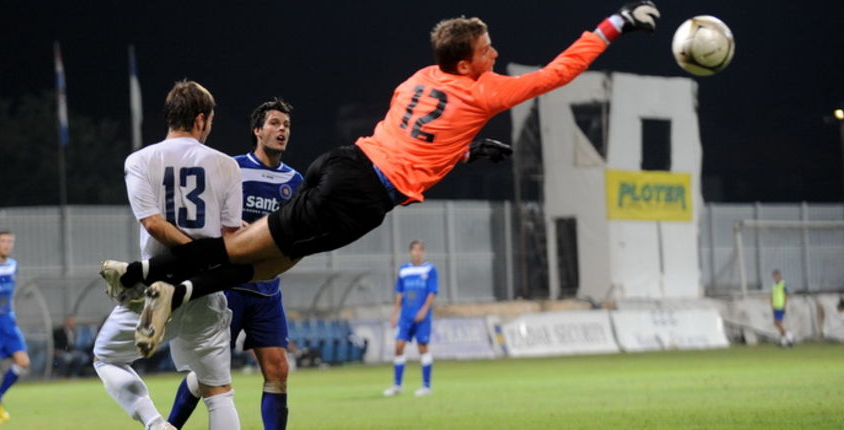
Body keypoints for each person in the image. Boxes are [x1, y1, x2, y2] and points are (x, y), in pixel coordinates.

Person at [103, 2, 661, 357]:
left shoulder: (418, 78)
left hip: (342, 162)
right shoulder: (483, 88)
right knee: (246, 247)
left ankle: (177, 286)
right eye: (488, 49)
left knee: (274, 260)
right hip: (363, 194)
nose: (496, 54)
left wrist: (464, 152)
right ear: (467, 62)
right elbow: (557, 73)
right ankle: (141, 272)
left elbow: (417, 141)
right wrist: (613, 24)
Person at [93, 80, 242, 430]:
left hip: (154, 290)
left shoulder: (140, 160)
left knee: (105, 358)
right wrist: (202, 258)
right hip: (204, 292)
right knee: (218, 393)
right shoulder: (226, 165)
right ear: (201, 119)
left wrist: (185, 255)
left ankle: (156, 424)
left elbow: (153, 224)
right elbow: (230, 237)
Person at [167, 98, 303, 430]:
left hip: (267, 291)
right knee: (207, 375)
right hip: (227, 289)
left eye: (285, 125)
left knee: (278, 369)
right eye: (274, 123)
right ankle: (170, 426)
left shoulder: (295, 181)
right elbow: (206, 215)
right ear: (257, 130)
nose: (281, 129)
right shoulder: (232, 167)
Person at [384, 240, 438, 397]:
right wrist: (395, 314)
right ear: (410, 252)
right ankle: (397, 385)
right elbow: (400, 294)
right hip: (406, 316)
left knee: (423, 347)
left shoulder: (430, 270)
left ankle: (426, 386)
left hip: (422, 317)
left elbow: (432, 292)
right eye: (414, 250)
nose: (417, 252)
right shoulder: (404, 270)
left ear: (423, 252)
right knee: (399, 346)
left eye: (420, 250)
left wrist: (424, 310)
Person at [0, 231, 30, 424]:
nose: (6, 245)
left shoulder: (13, 265)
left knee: (23, 362)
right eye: (3, 241)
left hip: (8, 320)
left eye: (9, 241)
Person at [771, 270, 793, 347]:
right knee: (777, 323)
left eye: (777, 276)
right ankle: (783, 341)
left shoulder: (782, 284)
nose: (776, 277)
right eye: (774, 276)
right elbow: (772, 296)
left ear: (780, 276)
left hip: (780, 306)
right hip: (775, 306)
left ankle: (788, 336)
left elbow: (786, 295)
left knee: (778, 323)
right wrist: (772, 306)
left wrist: (784, 305)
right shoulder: (774, 285)